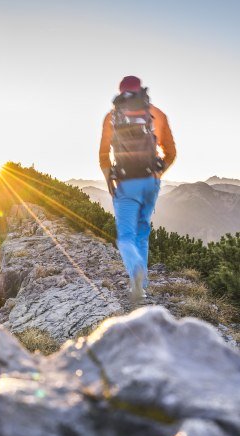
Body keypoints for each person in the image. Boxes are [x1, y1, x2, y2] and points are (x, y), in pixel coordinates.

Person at [99, 75, 176, 302]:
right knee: (142, 232)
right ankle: (140, 286)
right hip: (150, 183)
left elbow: (104, 155)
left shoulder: (112, 117)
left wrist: (109, 181)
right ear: (141, 90)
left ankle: (136, 274)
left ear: (121, 92)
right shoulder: (156, 114)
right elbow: (170, 153)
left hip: (125, 182)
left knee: (125, 237)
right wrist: (157, 173)